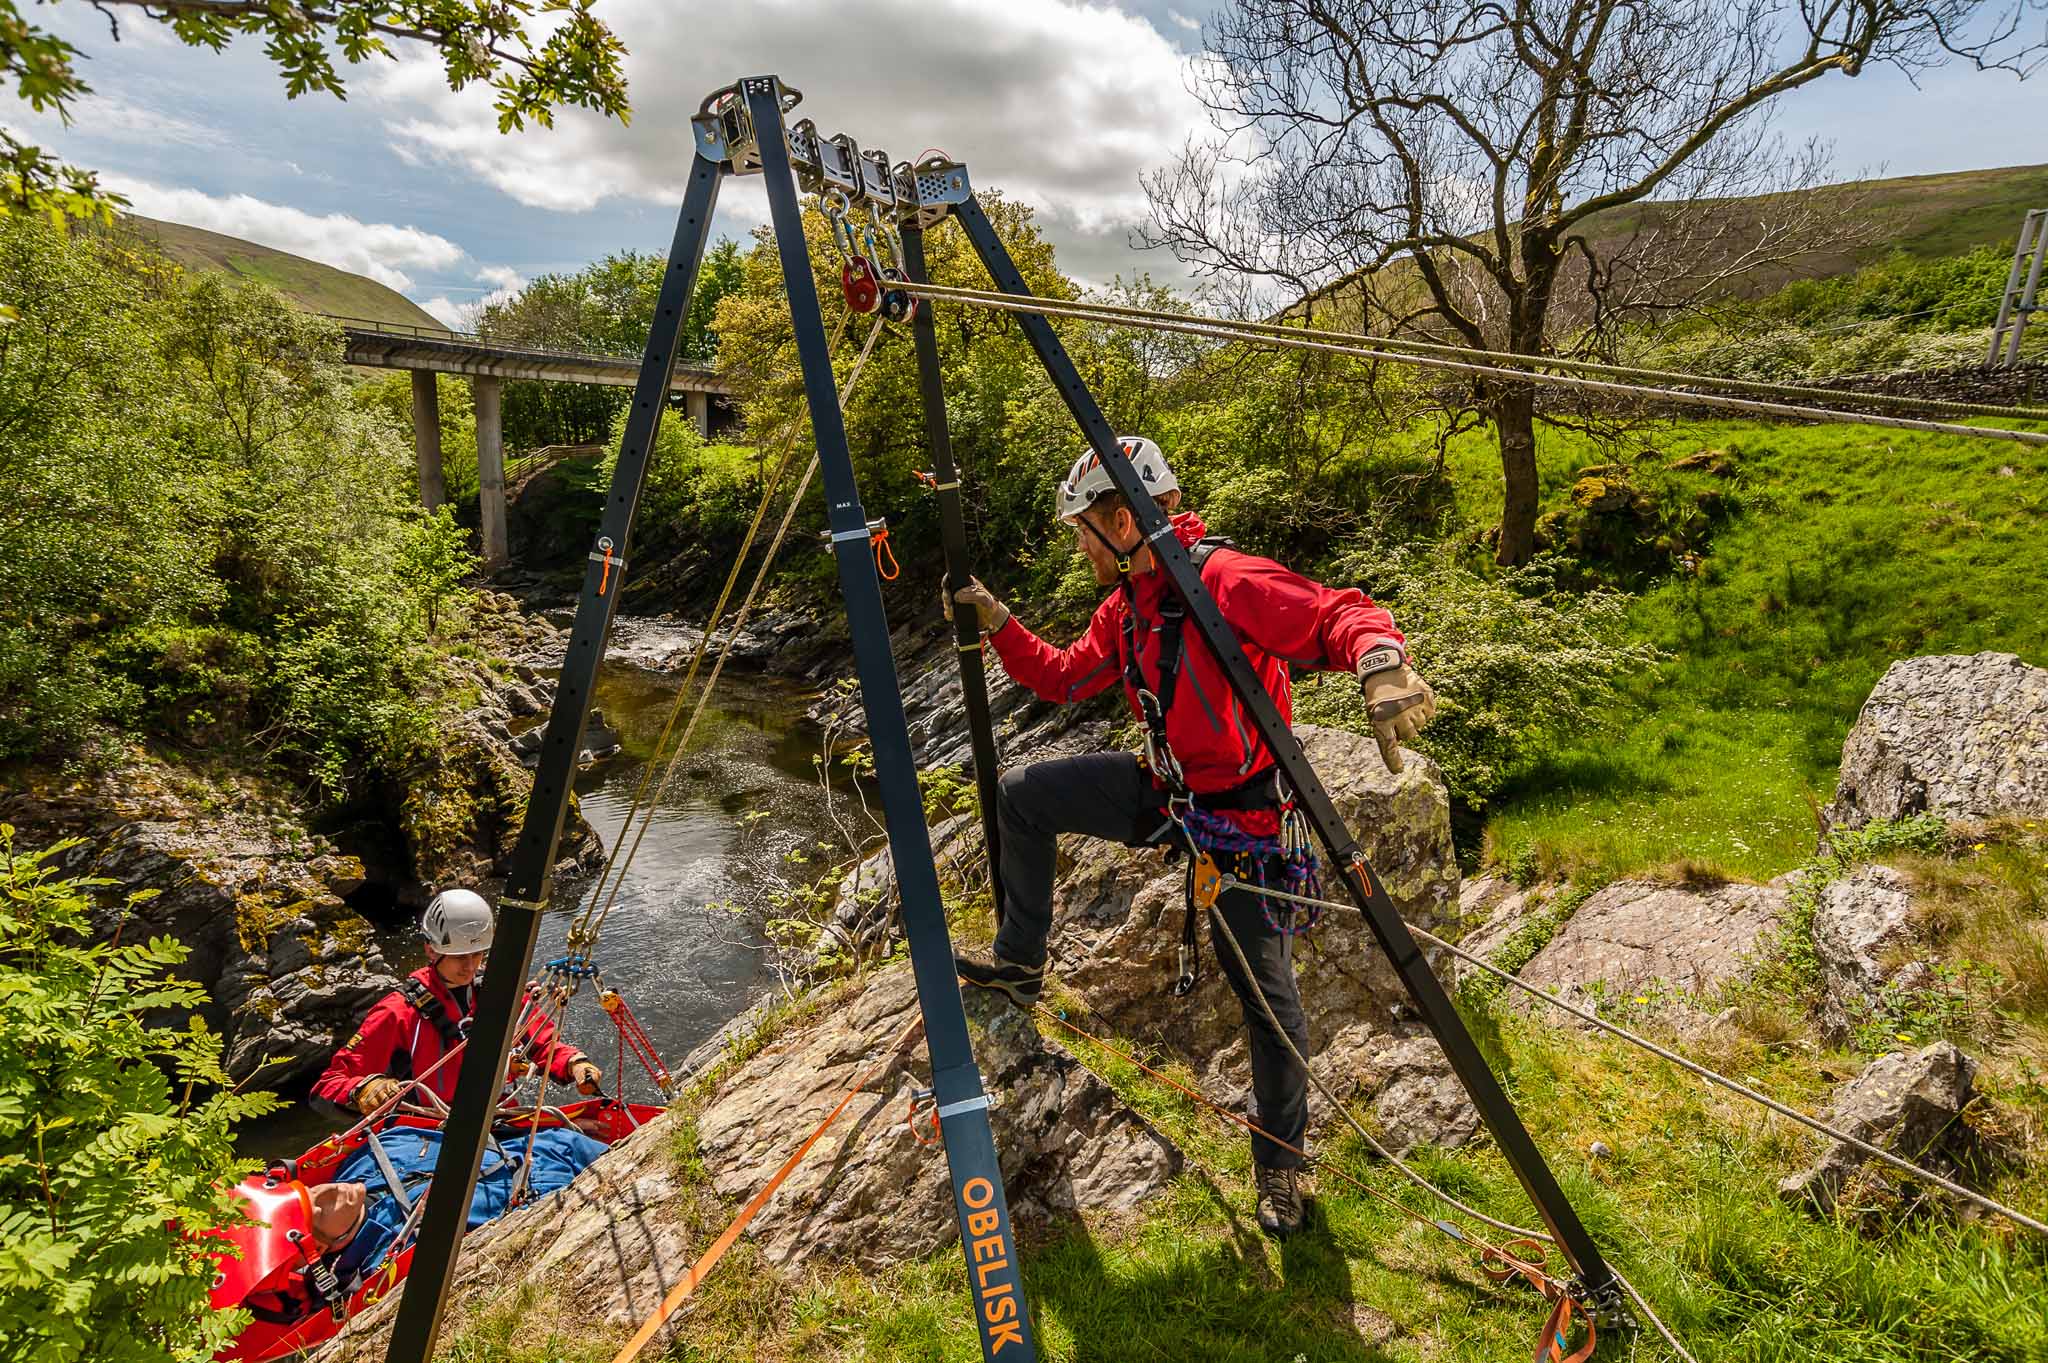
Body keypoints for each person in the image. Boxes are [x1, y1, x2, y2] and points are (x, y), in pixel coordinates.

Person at [945, 437, 1436, 1238]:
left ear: (1119, 519)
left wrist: (1381, 666)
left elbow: (1336, 612)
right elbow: (1065, 676)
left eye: (1083, 530)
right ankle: (1020, 967)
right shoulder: (1130, 604)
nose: (1079, 547)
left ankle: (1280, 1168)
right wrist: (999, 620)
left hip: (1242, 816)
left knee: (1268, 1004)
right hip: (1170, 793)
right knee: (1022, 798)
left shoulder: (1223, 579)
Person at [312, 888, 602, 1116]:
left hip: (500, 1117)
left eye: (477, 955)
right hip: (425, 1128)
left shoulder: (499, 994)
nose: (471, 966)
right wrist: (365, 1089)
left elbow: (540, 1043)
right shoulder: (398, 1012)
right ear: (430, 950)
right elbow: (329, 1085)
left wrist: (575, 1063)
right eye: (460, 957)